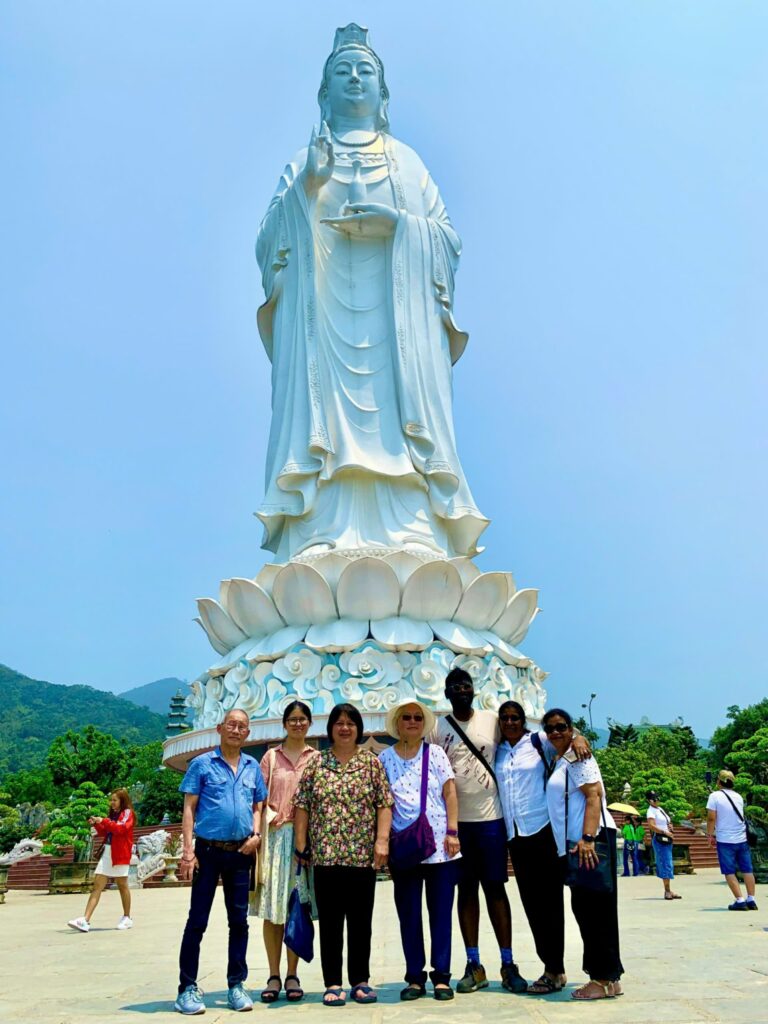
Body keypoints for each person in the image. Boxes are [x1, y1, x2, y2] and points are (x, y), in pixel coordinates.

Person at [255, 22, 488, 560]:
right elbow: (268, 245)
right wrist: (306, 190)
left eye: (366, 72)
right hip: (323, 336)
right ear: (324, 92)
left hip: (395, 331)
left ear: (383, 95)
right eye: (343, 71)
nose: (355, 79)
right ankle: (320, 528)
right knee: (327, 430)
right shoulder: (303, 161)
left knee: (397, 428)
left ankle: (413, 529)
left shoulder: (408, 163)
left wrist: (401, 228)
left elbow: (448, 240)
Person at [429, 667, 527, 994]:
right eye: (454, 685)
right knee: (466, 891)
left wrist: (577, 737)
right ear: (446, 693)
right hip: (456, 826)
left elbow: (522, 740)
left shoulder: (492, 721)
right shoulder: (436, 728)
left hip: (491, 821)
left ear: (474, 689)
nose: (461, 689)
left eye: (466, 684)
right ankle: (474, 964)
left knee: (495, 890)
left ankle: (508, 962)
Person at [293, 703, 393, 1006]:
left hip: (362, 856)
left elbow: (383, 803)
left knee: (362, 921)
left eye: (351, 723)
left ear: (358, 728)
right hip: (326, 856)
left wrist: (382, 841)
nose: (345, 728)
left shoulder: (371, 763)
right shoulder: (316, 764)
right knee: (332, 923)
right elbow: (303, 805)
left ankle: (360, 980)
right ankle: (332, 982)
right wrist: (301, 845)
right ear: (331, 728)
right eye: (339, 722)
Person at [174, 707, 267, 1015]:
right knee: (197, 920)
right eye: (232, 724)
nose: (237, 730)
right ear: (220, 727)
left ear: (248, 733)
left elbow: (258, 805)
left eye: (242, 726)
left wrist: (256, 835)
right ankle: (186, 987)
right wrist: (187, 852)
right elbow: (189, 809)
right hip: (208, 852)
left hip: (241, 852)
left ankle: (236, 984)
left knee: (238, 922)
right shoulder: (202, 764)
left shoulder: (253, 766)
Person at [495, 700, 590, 995]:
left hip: (542, 831)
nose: (510, 722)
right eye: (505, 718)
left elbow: (564, 745)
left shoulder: (538, 743)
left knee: (550, 903)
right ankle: (551, 965)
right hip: (515, 834)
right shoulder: (496, 750)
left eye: (516, 718)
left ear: (524, 721)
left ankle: (554, 969)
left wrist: (579, 737)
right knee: (532, 905)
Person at [379, 699, 461, 1001]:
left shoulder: (436, 753)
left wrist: (453, 831)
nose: (412, 722)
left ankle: (441, 976)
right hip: (405, 846)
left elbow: (449, 792)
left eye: (416, 718)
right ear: (397, 724)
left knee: (441, 913)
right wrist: (383, 840)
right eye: (406, 718)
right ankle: (415, 976)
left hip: (440, 844)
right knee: (409, 914)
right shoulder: (385, 758)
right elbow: (383, 803)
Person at [543, 708, 623, 1001]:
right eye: (550, 728)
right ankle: (610, 978)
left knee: (593, 912)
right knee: (594, 909)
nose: (555, 732)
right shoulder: (561, 756)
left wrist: (588, 838)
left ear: (570, 728)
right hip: (577, 842)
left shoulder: (578, 756)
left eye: (562, 727)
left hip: (588, 841)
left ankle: (600, 979)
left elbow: (594, 795)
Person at [252, 700, 320, 1002]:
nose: (297, 724)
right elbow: (258, 799)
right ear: (284, 723)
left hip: (305, 840)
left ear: (309, 723)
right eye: (292, 719)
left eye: (302, 718)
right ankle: (273, 974)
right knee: (273, 909)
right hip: (277, 837)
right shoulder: (271, 757)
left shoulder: (316, 758)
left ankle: (293, 974)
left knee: (297, 906)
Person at [67, 788, 135, 933]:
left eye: (115, 800)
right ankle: (85, 919)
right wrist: (97, 824)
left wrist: (103, 820)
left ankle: (127, 917)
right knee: (97, 885)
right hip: (108, 852)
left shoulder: (127, 813)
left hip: (121, 853)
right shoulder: (113, 814)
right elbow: (106, 831)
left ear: (122, 800)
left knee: (122, 885)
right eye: (111, 800)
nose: (112, 803)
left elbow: (121, 829)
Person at [706, 769, 758, 911]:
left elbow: (711, 818)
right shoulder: (738, 797)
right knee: (747, 869)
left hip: (725, 839)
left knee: (729, 871)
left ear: (719, 781)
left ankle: (740, 900)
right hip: (741, 838)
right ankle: (751, 899)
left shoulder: (714, 796)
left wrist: (709, 835)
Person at [645, 790, 681, 900]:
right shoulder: (650, 811)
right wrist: (664, 832)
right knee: (665, 863)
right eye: (654, 799)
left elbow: (666, 821)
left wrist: (670, 826)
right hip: (660, 839)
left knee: (669, 863)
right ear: (649, 801)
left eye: (657, 798)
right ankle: (667, 891)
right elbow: (651, 826)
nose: (657, 801)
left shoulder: (660, 809)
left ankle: (669, 889)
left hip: (667, 839)